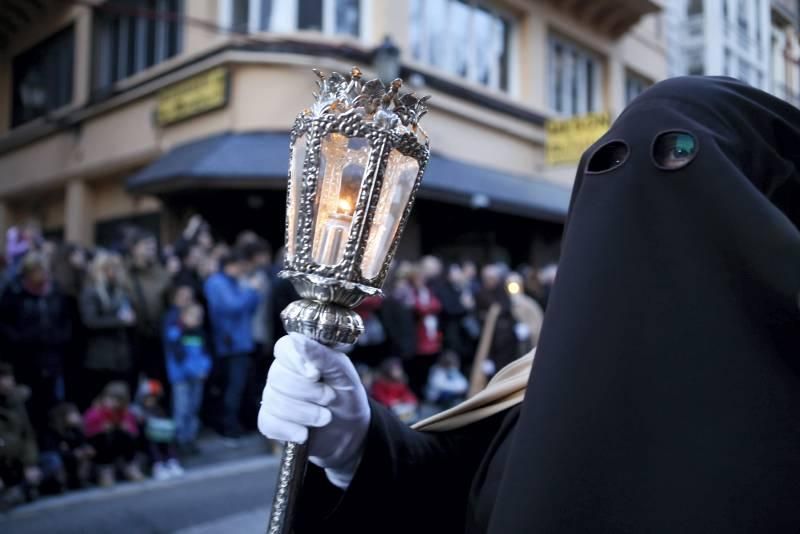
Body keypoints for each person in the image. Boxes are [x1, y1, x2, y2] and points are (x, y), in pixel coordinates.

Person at [258, 77, 800, 532]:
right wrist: (360, 447)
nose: (632, 186)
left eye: (678, 154)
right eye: (607, 161)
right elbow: (459, 498)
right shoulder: (548, 375)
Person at [0, 252, 72, 432]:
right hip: (25, 358)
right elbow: (5, 323)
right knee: (26, 402)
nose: (43, 274)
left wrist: (59, 337)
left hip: (52, 357)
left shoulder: (55, 291)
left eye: (44, 270)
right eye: (38, 270)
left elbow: (66, 319)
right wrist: (20, 339)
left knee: (49, 403)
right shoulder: (14, 292)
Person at [204, 251, 260, 438]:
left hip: (242, 342)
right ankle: (229, 426)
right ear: (229, 265)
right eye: (238, 266)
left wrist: (251, 293)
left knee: (241, 385)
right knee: (233, 386)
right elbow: (232, 307)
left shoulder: (235, 282)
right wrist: (251, 290)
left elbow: (250, 309)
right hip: (230, 343)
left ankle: (240, 423)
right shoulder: (216, 283)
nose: (241, 270)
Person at [79, 251, 137, 406]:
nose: (113, 272)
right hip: (100, 358)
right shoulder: (91, 292)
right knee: (99, 401)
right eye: (108, 268)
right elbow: (90, 321)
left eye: (116, 268)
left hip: (121, 357)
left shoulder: (122, 292)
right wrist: (120, 321)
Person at [163, 299, 212, 455]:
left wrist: (204, 369)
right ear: (183, 316)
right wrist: (196, 371)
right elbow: (180, 358)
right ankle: (178, 441)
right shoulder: (175, 333)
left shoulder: (200, 333)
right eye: (194, 316)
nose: (198, 320)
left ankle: (190, 439)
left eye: (200, 317)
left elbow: (205, 354)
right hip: (182, 379)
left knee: (193, 408)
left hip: (197, 377)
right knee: (181, 409)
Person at [126, 231, 170, 383]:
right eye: (146, 244)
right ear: (134, 248)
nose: (151, 248)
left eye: (153, 245)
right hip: (130, 336)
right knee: (130, 380)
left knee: (155, 382)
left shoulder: (162, 273)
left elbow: (169, 302)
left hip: (155, 335)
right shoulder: (124, 271)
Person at [83, 381, 144, 487]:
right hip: (99, 447)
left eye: (117, 401)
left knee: (126, 435)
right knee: (103, 436)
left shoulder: (125, 412)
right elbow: (86, 432)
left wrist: (127, 428)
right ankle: (105, 471)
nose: (112, 403)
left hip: (117, 445)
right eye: (110, 399)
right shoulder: (96, 411)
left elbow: (134, 432)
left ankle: (130, 467)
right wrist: (100, 428)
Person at [0, 363, 41, 509]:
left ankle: (17, 490)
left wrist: (30, 464)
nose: (7, 381)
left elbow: (28, 436)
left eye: (9, 377)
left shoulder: (17, 403)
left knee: (51, 463)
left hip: (18, 461)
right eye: (3, 377)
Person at [131, 380, 183, 480]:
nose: (151, 400)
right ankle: (158, 465)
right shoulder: (136, 410)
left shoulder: (158, 409)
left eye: (153, 398)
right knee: (152, 441)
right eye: (148, 397)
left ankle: (172, 461)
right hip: (144, 440)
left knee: (169, 438)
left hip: (161, 436)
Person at [39, 402, 95, 491]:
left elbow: (82, 444)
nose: (77, 416)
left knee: (86, 455)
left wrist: (86, 449)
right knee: (55, 460)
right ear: (63, 416)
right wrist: (72, 454)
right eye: (73, 414)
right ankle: (60, 485)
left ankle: (81, 481)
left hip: (73, 460)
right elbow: (52, 451)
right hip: (60, 460)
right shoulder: (52, 432)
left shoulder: (76, 430)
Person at [370, 358, 419, 424]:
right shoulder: (380, 383)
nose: (398, 372)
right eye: (395, 370)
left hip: (401, 407)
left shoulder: (401, 381)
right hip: (387, 410)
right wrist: (392, 402)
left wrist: (410, 401)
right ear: (388, 370)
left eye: (399, 369)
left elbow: (407, 394)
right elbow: (380, 397)